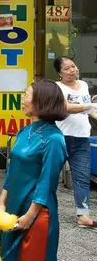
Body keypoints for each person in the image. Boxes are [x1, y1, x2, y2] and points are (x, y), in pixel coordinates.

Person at [0, 79, 69, 261]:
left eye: (27, 95)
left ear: (41, 101)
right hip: (12, 210)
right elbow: (12, 169)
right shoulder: (25, 132)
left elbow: (46, 182)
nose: (23, 99)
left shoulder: (54, 139)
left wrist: (30, 215)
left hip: (38, 215)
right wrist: (2, 201)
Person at [53, 56, 96, 227]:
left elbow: (88, 111)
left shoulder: (84, 85)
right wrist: (90, 106)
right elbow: (65, 108)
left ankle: (83, 215)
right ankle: (40, 210)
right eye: (67, 68)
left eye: (73, 66)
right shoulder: (57, 87)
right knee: (49, 176)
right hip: (60, 137)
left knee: (82, 177)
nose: (72, 70)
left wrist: (93, 111)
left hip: (81, 137)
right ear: (59, 73)